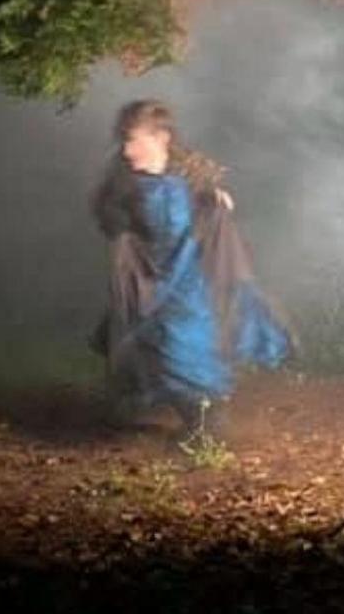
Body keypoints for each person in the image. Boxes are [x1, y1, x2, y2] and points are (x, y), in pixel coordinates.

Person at [88, 99, 293, 439]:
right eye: (124, 140)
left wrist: (214, 202)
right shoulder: (125, 186)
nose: (127, 149)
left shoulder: (183, 179)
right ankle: (180, 419)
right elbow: (117, 222)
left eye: (135, 139)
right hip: (153, 283)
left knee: (183, 350)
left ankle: (206, 426)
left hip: (186, 283)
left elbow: (193, 214)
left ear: (161, 137)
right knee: (150, 350)